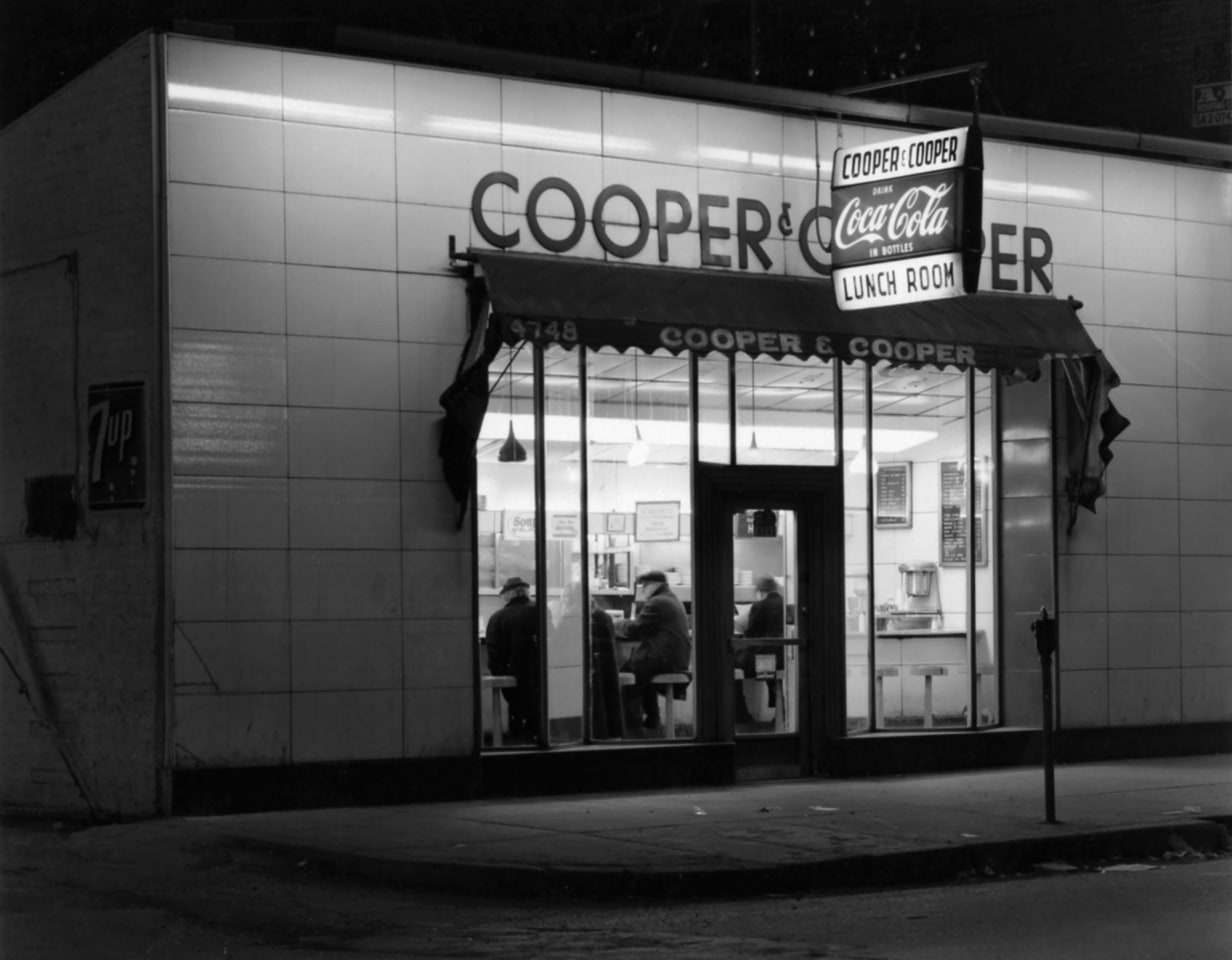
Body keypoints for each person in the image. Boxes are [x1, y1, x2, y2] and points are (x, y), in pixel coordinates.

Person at [618, 570, 692, 736]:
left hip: (664, 658)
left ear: (655, 585)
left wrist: (617, 625)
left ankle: (633, 726)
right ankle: (652, 720)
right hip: (674, 658)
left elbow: (635, 629)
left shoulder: (657, 602)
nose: (643, 590)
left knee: (628, 675)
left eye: (644, 586)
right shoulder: (670, 599)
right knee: (642, 675)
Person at [484, 576, 540, 742]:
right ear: (526, 592)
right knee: (536, 718)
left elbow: (493, 653)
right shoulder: (541, 610)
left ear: (508, 595)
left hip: (512, 680)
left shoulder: (497, 617)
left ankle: (516, 747)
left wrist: (501, 675)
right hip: (538, 677)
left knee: (517, 715)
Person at [734, 576, 785, 724]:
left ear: (761, 591)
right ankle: (781, 714)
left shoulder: (760, 606)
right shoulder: (785, 603)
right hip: (782, 659)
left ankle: (741, 714)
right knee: (774, 680)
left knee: (729, 665)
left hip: (764, 661)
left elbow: (751, 634)